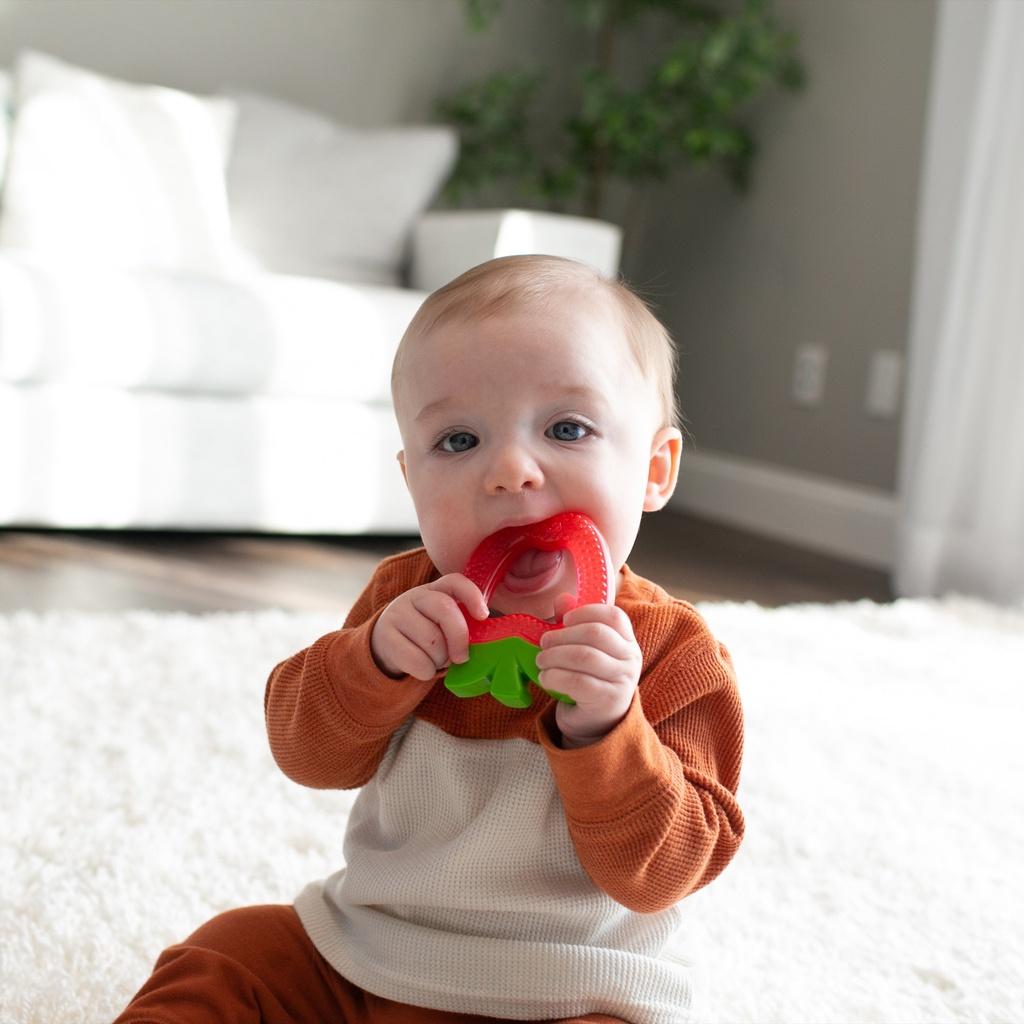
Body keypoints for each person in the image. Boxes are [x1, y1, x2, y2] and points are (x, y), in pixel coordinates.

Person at [114, 255, 745, 1024]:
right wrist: (374, 663)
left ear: (654, 469)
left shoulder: (675, 653)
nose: (510, 470)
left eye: (567, 428)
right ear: (411, 479)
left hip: (572, 988)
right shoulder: (403, 604)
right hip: (372, 956)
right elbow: (306, 755)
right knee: (233, 950)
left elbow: (667, 872)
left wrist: (606, 732)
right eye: (458, 440)